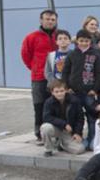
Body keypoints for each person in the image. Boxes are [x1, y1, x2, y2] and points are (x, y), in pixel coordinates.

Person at [61, 29, 100, 147]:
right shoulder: (71, 54)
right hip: (74, 91)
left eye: (86, 41)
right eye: (81, 41)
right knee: (75, 114)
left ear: (90, 41)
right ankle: (76, 136)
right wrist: (67, 87)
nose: (84, 43)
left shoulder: (95, 54)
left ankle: (92, 138)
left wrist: (95, 89)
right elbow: (65, 72)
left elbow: (99, 72)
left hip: (89, 92)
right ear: (77, 41)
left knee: (92, 115)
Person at [22, 9, 58, 141]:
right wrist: (35, 68)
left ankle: (53, 132)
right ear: (41, 20)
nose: (50, 21)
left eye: (53, 19)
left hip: (56, 78)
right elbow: (26, 55)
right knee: (39, 105)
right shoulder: (31, 37)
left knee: (55, 105)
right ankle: (39, 133)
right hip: (38, 78)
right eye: (47, 19)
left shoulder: (59, 36)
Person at [40, 80, 86, 156]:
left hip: (69, 131)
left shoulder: (74, 101)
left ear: (66, 90)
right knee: (45, 128)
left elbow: (80, 118)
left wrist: (77, 133)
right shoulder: (49, 102)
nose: (59, 93)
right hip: (56, 128)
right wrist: (64, 124)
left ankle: (61, 144)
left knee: (80, 149)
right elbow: (46, 117)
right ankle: (48, 149)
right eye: (56, 92)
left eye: (62, 91)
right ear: (52, 92)